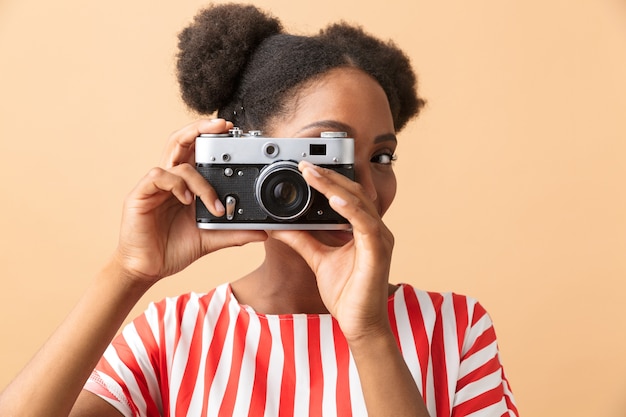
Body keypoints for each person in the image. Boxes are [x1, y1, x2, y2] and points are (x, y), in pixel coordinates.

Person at [0, 3, 518, 416]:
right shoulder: (173, 333)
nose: (365, 188)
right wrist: (127, 272)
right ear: (248, 159)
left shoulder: (455, 328)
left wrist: (369, 332)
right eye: (327, 152)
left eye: (381, 157)